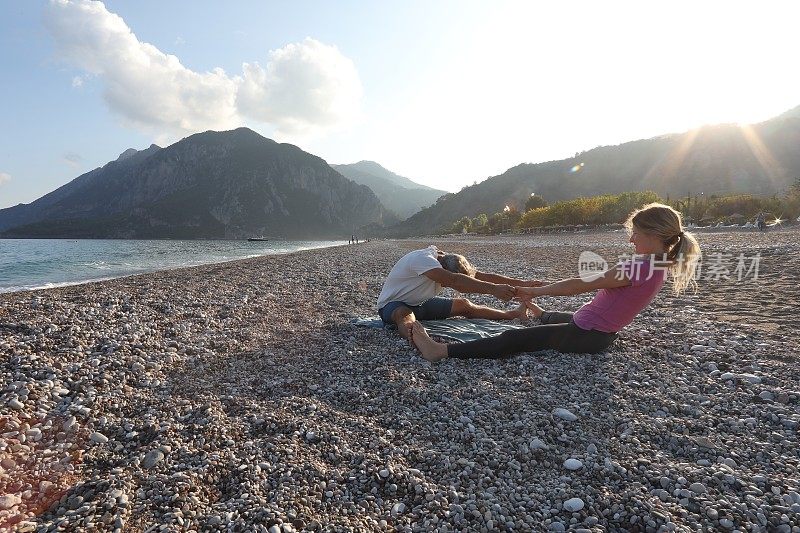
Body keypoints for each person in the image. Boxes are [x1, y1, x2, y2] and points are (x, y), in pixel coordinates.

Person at [411, 203, 701, 361]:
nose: (631, 239)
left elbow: (578, 284)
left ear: (653, 235)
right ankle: (538, 314)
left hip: (588, 336)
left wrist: (534, 289)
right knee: (564, 317)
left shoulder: (640, 268)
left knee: (516, 339)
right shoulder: (660, 264)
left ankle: (440, 351)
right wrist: (538, 297)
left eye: (635, 233)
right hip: (599, 330)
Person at [377, 246, 544, 339]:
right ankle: (418, 339)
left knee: (464, 305)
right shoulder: (422, 260)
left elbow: (479, 276)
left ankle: (512, 314)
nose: (446, 286)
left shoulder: (448, 260)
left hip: (419, 304)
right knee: (404, 313)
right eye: (445, 281)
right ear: (442, 268)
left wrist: (522, 284)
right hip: (392, 306)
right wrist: (493, 290)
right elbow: (454, 281)